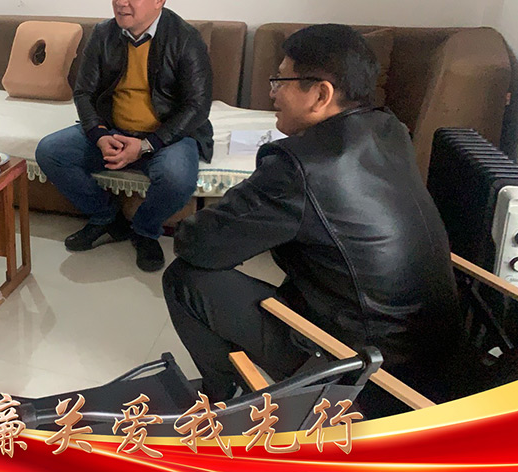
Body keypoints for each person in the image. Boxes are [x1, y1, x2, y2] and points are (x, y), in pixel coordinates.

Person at [163, 24, 461, 415]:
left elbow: (198, 245)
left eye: (280, 80)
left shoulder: (299, 165)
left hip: (372, 378)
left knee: (185, 279)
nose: (272, 93)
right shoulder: (389, 129)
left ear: (321, 94)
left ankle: (219, 398)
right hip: (432, 356)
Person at [36, 0, 213, 272]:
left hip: (165, 136)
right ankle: (107, 217)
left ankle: (144, 230)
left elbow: (197, 106)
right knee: (51, 152)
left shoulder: (186, 39)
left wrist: (147, 145)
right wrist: (99, 134)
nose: (121, 1)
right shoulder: (104, 34)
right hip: (113, 130)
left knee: (176, 178)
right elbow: (84, 92)